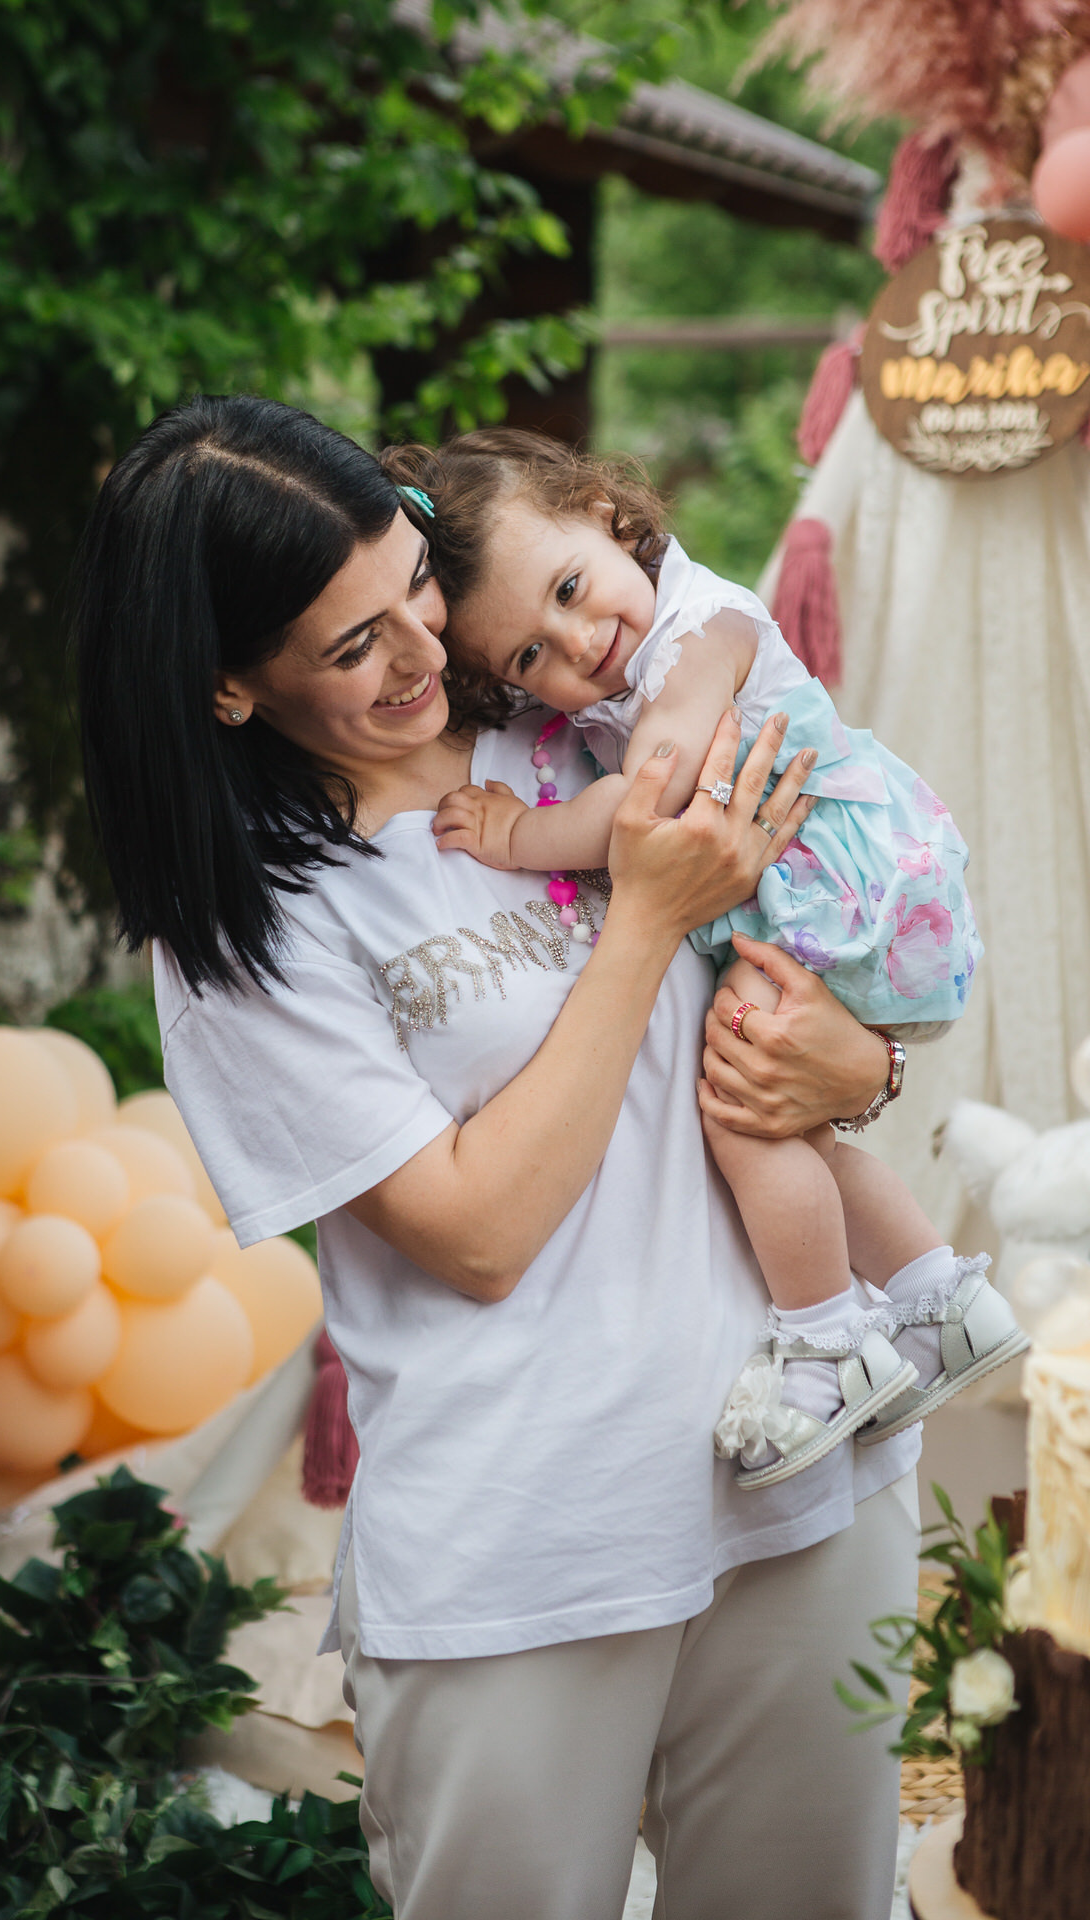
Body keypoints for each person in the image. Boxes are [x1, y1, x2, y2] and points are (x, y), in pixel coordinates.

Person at [76, 393, 928, 1920]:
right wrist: (649, 915)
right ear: (222, 686)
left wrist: (863, 1066)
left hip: (809, 1481)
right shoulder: (254, 924)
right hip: (537, 1546)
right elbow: (478, 1229)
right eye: (351, 647)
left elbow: (824, 950)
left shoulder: (579, 708)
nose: (424, 653)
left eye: (415, 584)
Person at [394, 427, 1025, 1489]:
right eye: (525, 656)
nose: (573, 641)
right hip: (810, 898)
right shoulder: (625, 661)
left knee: (739, 1115)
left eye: (568, 587)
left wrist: (516, 835)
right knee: (791, 1132)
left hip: (843, 896)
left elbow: (653, 796)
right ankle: (939, 1301)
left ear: (608, 518)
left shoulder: (702, 623)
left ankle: (823, 1341)